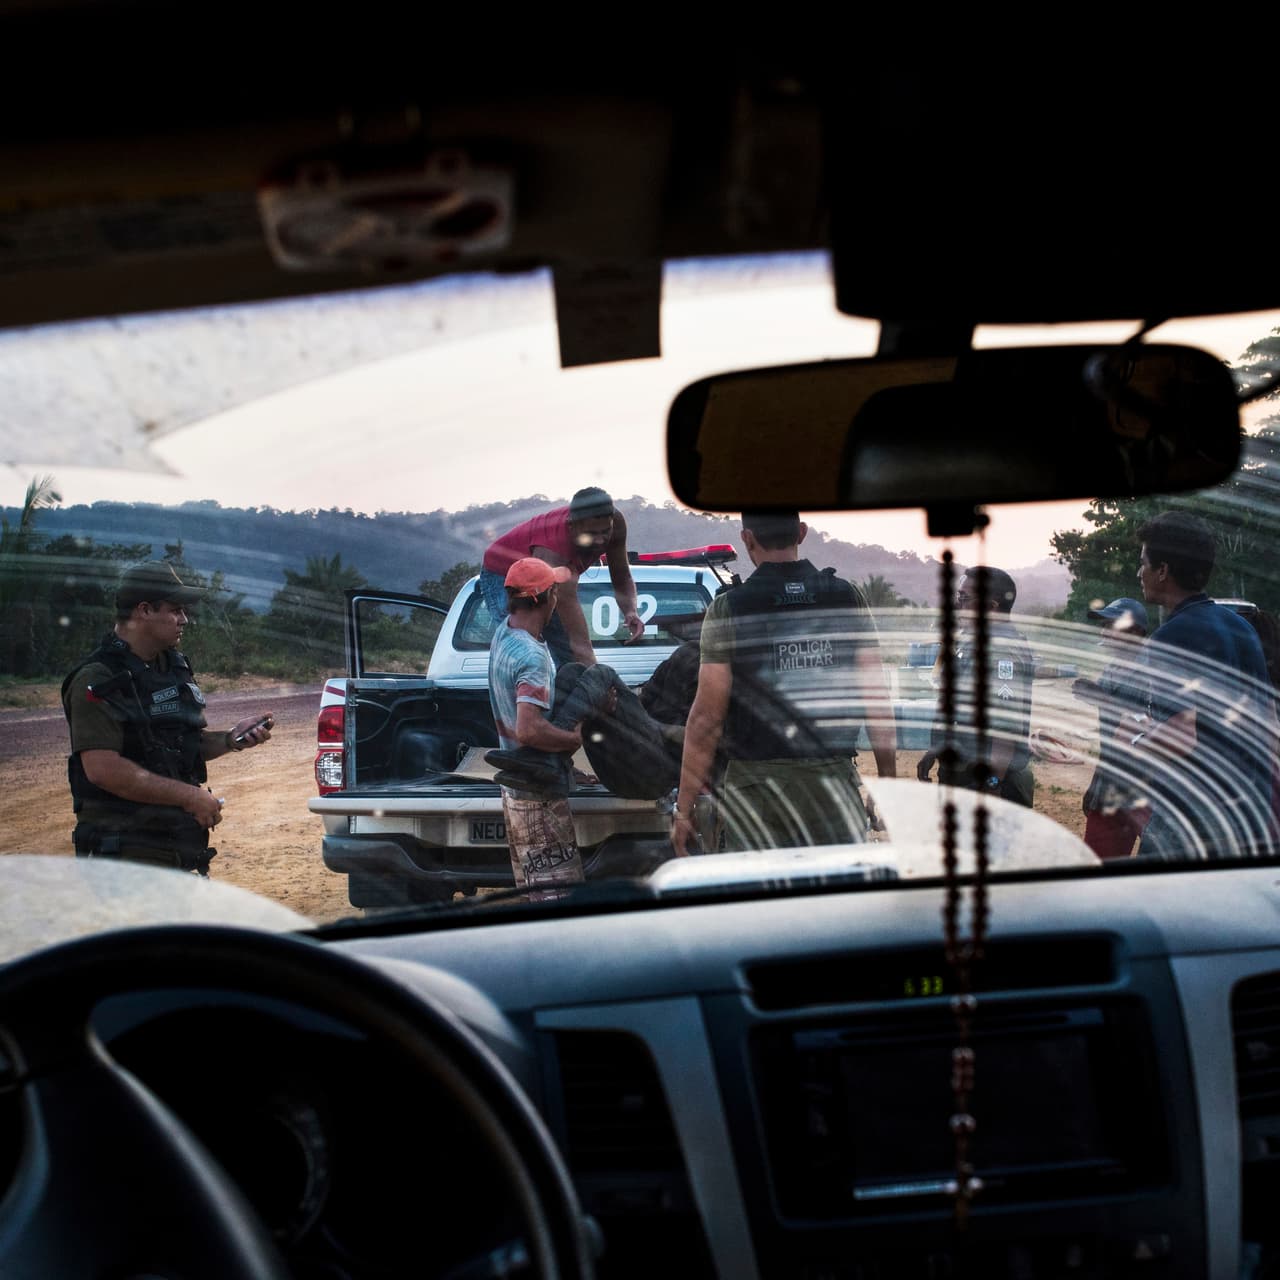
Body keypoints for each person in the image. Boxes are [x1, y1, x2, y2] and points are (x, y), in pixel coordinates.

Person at [671, 511, 898, 856]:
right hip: (832, 785)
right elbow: (876, 701)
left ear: (747, 539)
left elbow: (706, 721)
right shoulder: (846, 597)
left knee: (764, 903)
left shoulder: (729, 608)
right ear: (802, 533)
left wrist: (684, 810)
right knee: (838, 898)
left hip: (756, 792)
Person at [61, 561, 275, 875]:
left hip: (174, 846)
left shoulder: (170, 667)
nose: (184, 619)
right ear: (144, 610)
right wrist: (191, 797)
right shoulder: (98, 679)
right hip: (125, 853)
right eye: (175, 610)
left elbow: (180, 744)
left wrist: (231, 739)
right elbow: (104, 769)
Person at [1131, 511, 1277, 858]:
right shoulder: (1239, 625)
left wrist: (1132, 745)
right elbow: (1269, 719)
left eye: (1143, 563)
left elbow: (1183, 734)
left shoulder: (1173, 636)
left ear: (1163, 571)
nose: (1140, 573)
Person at [487, 556, 594, 891]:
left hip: (516, 789)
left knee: (534, 893)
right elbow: (529, 729)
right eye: (554, 591)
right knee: (557, 901)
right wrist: (571, 739)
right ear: (546, 600)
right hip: (539, 796)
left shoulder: (504, 635)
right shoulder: (531, 657)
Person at [479, 488, 643, 668]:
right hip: (502, 574)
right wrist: (601, 681)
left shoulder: (616, 523)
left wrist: (630, 611)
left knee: (569, 658)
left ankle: (567, 693)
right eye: (590, 534)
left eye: (605, 532)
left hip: (548, 575)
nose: (599, 541)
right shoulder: (555, 553)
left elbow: (621, 575)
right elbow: (580, 644)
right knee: (522, 652)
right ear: (572, 525)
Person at [916, 567, 1036, 806]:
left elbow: (1004, 728)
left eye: (964, 599)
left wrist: (992, 785)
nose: (958, 605)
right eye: (958, 597)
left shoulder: (1000, 650)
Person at [1072, 597, 1152, 859]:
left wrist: (1102, 699)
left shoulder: (1153, 672)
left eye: (1112, 624)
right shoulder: (1111, 670)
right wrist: (1096, 786)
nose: (1105, 631)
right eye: (1104, 625)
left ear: (1136, 631)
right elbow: (1109, 737)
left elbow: (1152, 728)